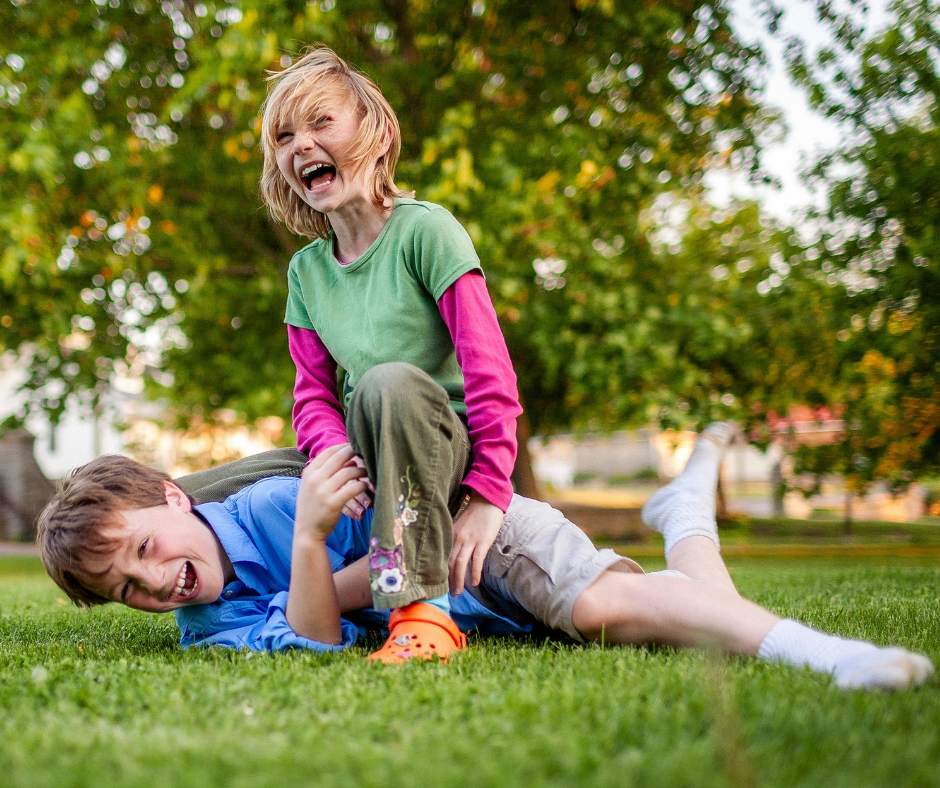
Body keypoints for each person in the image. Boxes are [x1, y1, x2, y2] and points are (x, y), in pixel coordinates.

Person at [36, 425, 934, 690]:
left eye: (147, 549)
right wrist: (319, 551)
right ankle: (686, 507)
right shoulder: (209, 627)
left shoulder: (277, 497)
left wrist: (330, 562)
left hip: (477, 531)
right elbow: (314, 643)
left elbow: (406, 534)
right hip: (473, 602)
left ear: (173, 496)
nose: (156, 581)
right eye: (127, 589)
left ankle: (830, 656)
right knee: (672, 612)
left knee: (610, 610)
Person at [257, 46, 522, 662]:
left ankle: (421, 613)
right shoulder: (306, 273)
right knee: (226, 482)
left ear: (373, 134)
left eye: (321, 123)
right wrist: (334, 456)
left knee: (386, 383)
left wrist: (487, 498)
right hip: (368, 448)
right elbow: (313, 397)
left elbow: (491, 375)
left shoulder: (426, 231)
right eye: (285, 136)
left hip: (442, 440)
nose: (302, 145)